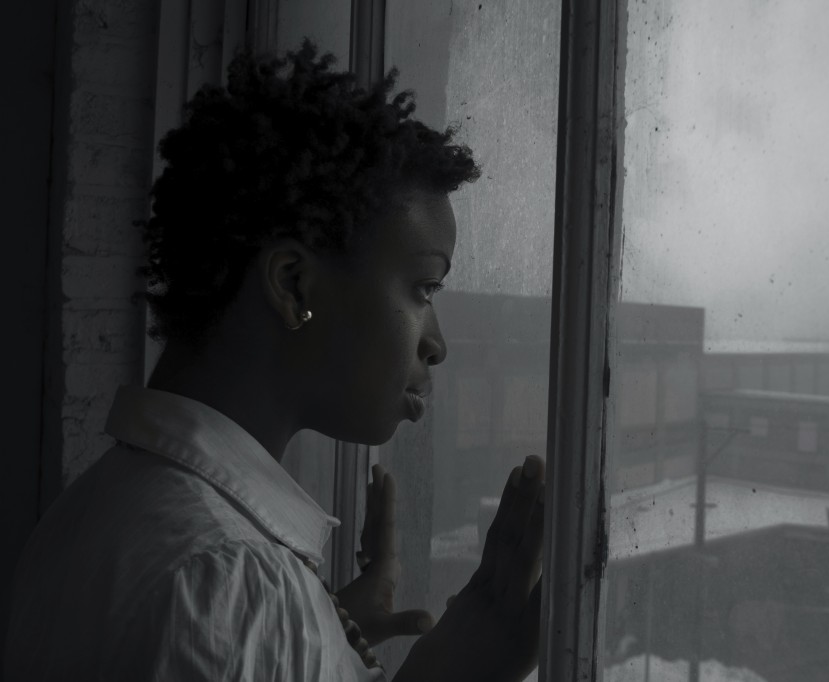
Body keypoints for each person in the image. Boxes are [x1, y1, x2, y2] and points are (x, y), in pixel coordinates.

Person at [5, 41, 545, 681]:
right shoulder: (230, 585)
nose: (437, 343)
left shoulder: (96, 511)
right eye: (424, 288)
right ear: (292, 284)